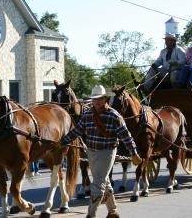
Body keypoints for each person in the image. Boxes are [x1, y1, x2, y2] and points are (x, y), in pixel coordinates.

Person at [60, 85, 142, 218]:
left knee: (97, 183)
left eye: (99, 98)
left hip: (107, 153)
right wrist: (62, 142)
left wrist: (134, 153)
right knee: (105, 182)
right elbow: (77, 131)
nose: (96, 101)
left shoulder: (114, 115)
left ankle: (91, 214)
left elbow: (126, 136)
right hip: (91, 152)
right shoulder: (88, 115)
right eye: (94, 99)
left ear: (105, 99)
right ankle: (113, 211)